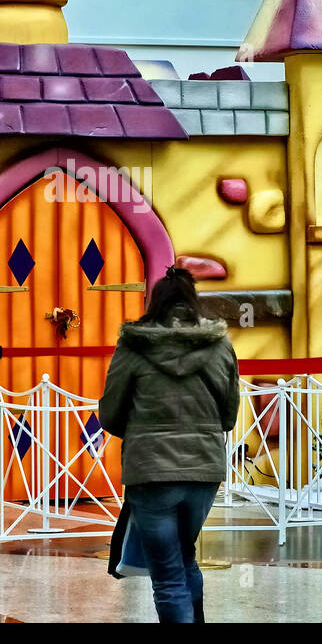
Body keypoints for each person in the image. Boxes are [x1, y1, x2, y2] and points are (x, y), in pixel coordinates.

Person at [99, 267, 239, 624]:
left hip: (151, 472)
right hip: (203, 471)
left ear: (154, 302)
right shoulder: (219, 343)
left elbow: (110, 412)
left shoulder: (134, 343)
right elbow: (229, 413)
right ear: (194, 302)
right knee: (184, 556)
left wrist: (139, 430)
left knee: (167, 574)